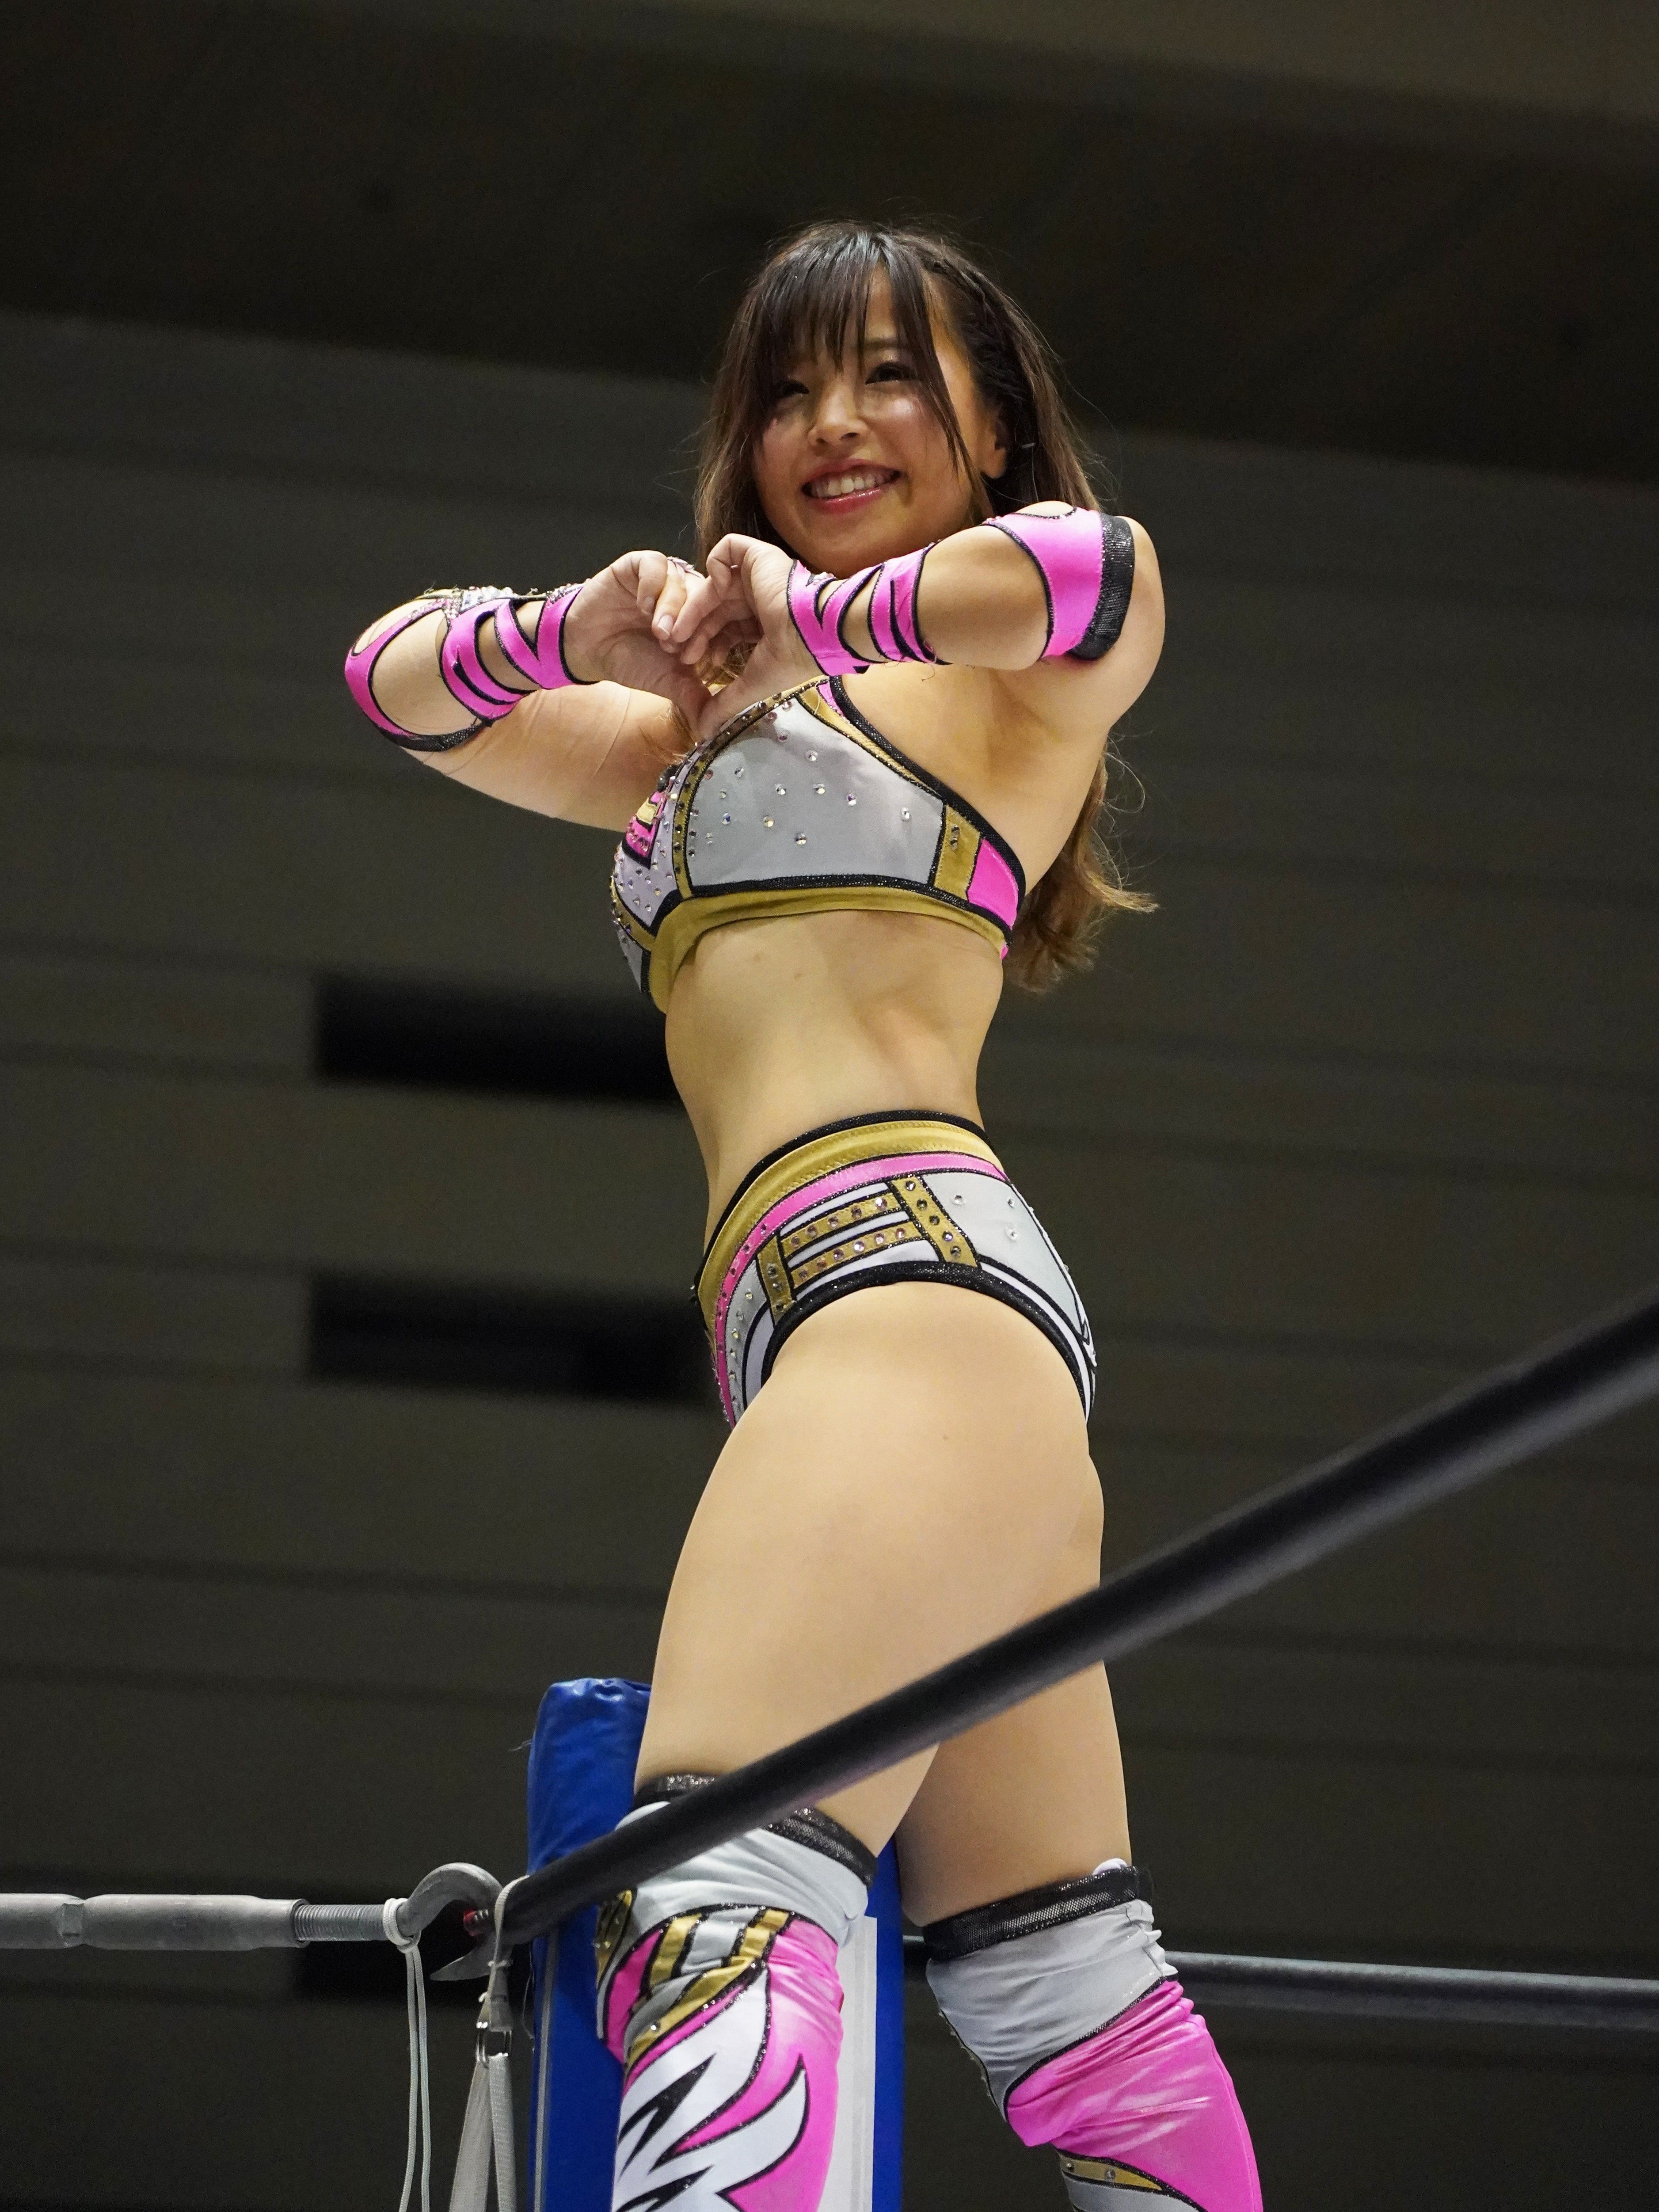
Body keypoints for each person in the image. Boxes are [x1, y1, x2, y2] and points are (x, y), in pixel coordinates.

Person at [345, 222, 1260, 2212]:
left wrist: (819, 623)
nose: (833, 422)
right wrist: (590, 629)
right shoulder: (683, 731)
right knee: (1069, 1996)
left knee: (714, 1881)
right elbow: (390, 681)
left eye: (892, 373)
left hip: (902, 1295)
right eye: (787, 389)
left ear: (992, 424)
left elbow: (1102, 573)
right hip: (881, 1341)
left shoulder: (1008, 681)